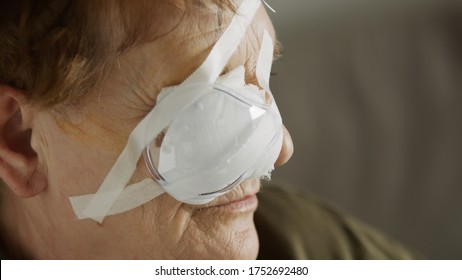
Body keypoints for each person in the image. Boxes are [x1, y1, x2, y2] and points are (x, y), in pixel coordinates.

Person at [0, 0, 414, 259]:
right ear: (20, 141)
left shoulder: (316, 249)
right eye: (208, 107)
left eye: (262, 88)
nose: (279, 149)